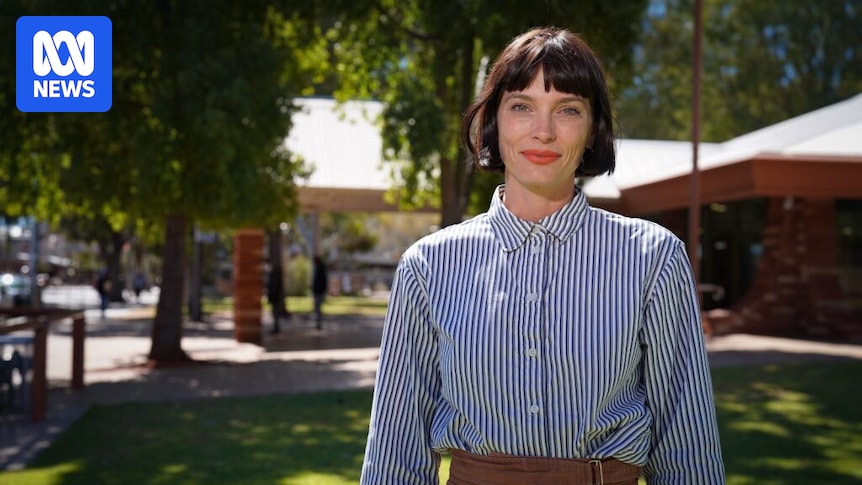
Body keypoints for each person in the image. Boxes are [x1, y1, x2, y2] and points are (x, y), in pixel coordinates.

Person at [361, 27, 725, 484]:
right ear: (494, 122)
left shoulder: (654, 259)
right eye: (521, 106)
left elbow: (686, 448)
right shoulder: (427, 267)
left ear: (592, 130)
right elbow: (396, 450)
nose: (543, 131)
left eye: (568, 109)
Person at [267, 265, 286, 334]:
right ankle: (276, 327)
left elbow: (274, 288)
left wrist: (272, 296)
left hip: (275, 297)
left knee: (275, 313)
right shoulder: (276, 277)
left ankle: (276, 327)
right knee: (275, 313)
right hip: (275, 297)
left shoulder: (274, 277)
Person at [311, 255, 328, 330]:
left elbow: (323, 280)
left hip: (319, 291)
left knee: (318, 307)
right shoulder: (316, 268)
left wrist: (323, 290)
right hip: (316, 291)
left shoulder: (321, 269)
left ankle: (319, 323)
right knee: (317, 307)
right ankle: (318, 322)